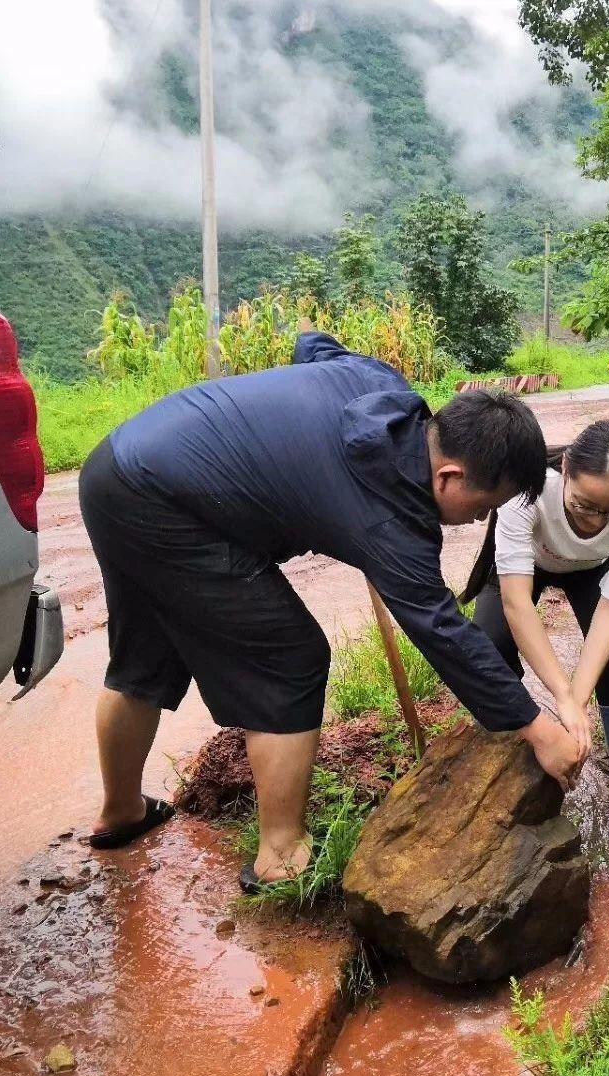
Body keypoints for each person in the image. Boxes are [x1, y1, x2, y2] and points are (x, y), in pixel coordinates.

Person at [79, 330, 580, 890]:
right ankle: (281, 856)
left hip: (117, 468)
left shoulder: (385, 389)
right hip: (166, 503)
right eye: (482, 507)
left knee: (146, 654)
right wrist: (537, 727)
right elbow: (443, 631)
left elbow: (312, 346)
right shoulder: (391, 522)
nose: (475, 522)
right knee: (289, 658)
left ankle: (122, 811)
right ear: (450, 476)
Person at [461, 419, 609, 847]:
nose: (596, 522)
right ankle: (519, 750)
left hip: (592, 572)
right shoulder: (527, 489)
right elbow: (517, 603)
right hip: (530, 564)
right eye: (586, 504)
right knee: (490, 643)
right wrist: (560, 695)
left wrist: (580, 698)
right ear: (567, 467)